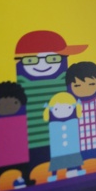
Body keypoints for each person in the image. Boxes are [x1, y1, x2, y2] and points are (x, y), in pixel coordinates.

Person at [14, 30, 88, 174]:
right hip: (33, 139)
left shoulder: (66, 81)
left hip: (65, 137)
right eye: (31, 60)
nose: (42, 65)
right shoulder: (21, 86)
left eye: (53, 58)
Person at [0, 81, 34, 191]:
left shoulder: (20, 119)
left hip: (19, 152)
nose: (7, 107)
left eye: (15, 102)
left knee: (23, 165)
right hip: (0, 154)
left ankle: (26, 179)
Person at [66, 61, 96, 170]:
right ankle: (74, 168)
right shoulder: (71, 104)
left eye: (91, 84)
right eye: (77, 85)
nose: (84, 89)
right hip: (78, 140)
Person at [43, 92, 86, 182]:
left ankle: (79, 169)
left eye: (69, 107)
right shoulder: (53, 124)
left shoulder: (73, 121)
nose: (63, 110)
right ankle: (54, 175)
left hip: (72, 148)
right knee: (57, 161)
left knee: (74, 158)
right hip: (57, 150)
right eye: (56, 108)